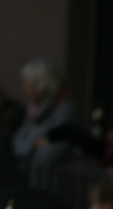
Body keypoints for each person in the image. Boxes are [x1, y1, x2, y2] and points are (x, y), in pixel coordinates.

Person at [12, 58, 82, 189]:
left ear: (41, 84)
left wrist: (33, 148)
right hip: (31, 178)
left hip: (54, 182)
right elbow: (18, 141)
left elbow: (55, 148)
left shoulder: (66, 110)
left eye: (28, 84)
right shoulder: (33, 110)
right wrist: (34, 144)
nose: (24, 89)